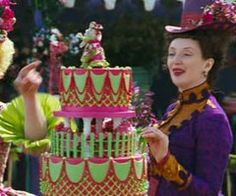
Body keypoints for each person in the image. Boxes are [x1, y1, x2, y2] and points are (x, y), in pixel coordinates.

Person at [142, 0, 235, 195]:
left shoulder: (213, 119)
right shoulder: (173, 109)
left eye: (186, 54)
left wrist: (166, 160)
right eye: (172, 54)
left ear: (207, 65)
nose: (176, 61)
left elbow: (208, 191)